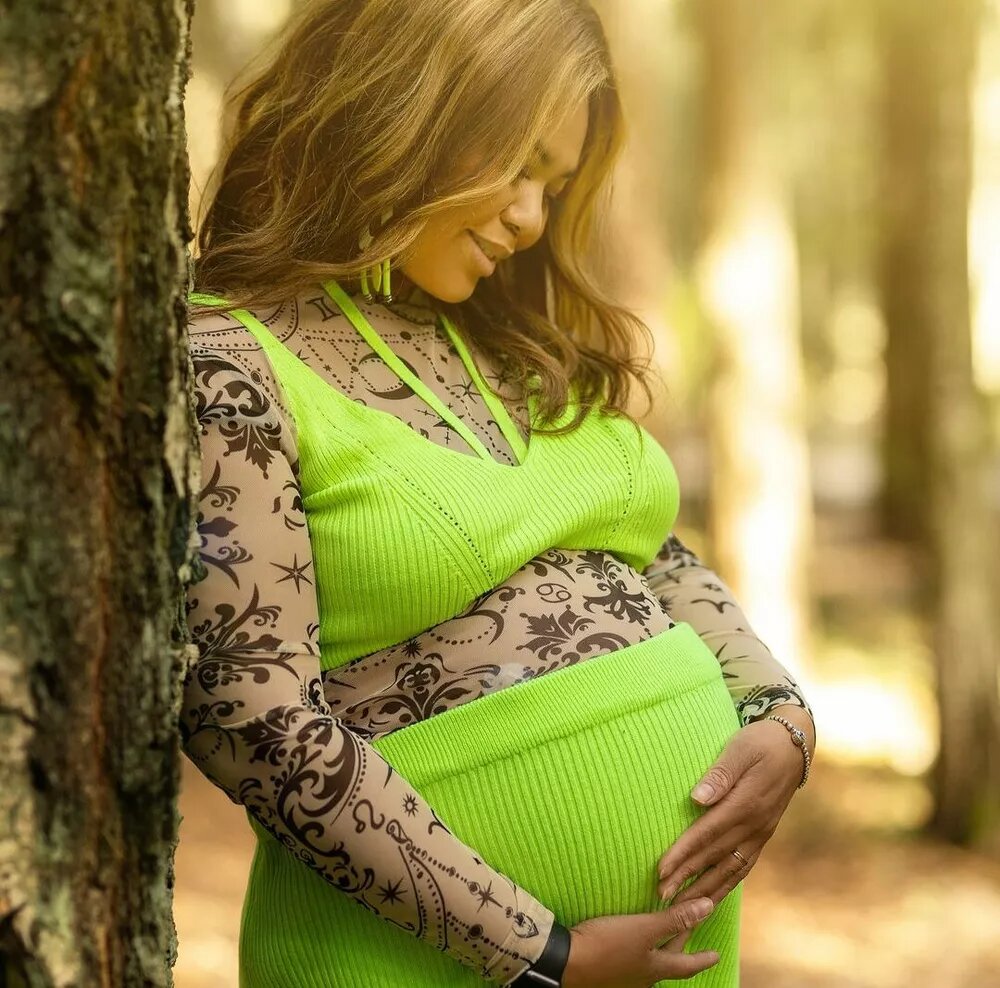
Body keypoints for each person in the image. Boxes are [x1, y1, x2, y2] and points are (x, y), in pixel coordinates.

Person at [181, 1, 817, 985]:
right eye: (517, 165)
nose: (529, 220)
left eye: (552, 185)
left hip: (666, 952)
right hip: (403, 956)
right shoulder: (229, 357)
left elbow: (648, 557)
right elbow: (248, 715)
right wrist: (538, 954)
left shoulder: (499, 343)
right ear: (406, 103)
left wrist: (781, 715)